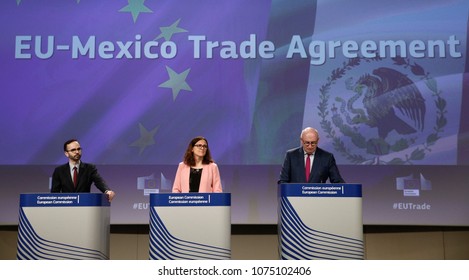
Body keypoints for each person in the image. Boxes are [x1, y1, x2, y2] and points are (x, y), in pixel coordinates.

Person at [51, 139, 116, 202]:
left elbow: (98, 181)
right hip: (66, 208)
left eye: (79, 149)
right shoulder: (59, 171)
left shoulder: (90, 168)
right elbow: (54, 194)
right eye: (73, 150)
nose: (77, 152)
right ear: (66, 153)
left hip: (84, 206)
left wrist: (107, 191)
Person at [279, 127, 345, 184]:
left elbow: (338, 181)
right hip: (295, 197)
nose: (310, 146)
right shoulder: (291, 156)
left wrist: (349, 190)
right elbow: (282, 181)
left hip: (318, 197)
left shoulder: (327, 157)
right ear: (301, 140)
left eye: (313, 143)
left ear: (318, 140)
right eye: (307, 143)